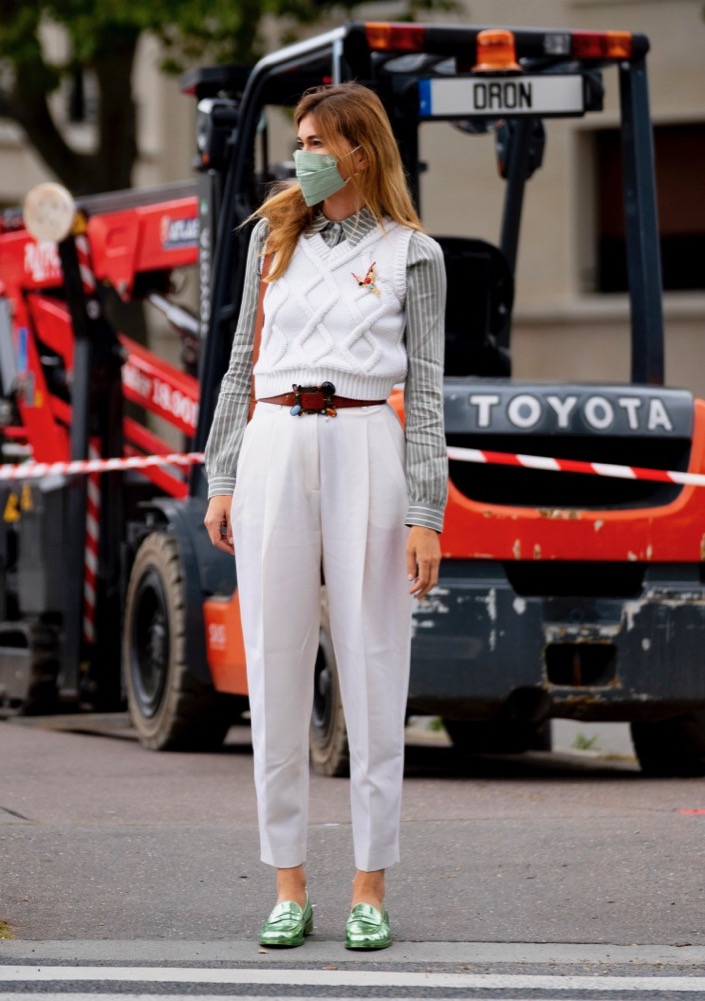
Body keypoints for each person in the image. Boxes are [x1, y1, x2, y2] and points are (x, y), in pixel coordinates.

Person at [204, 81, 447, 950]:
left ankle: (369, 887)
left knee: (375, 662)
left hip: (362, 445)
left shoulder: (413, 252)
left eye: (314, 139)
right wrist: (221, 475)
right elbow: (237, 367)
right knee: (272, 662)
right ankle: (288, 885)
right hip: (273, 440)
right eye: (296, 137)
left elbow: (424, 396)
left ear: (357, 150)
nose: (298, 154)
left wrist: (427, 509)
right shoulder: (270, 242)